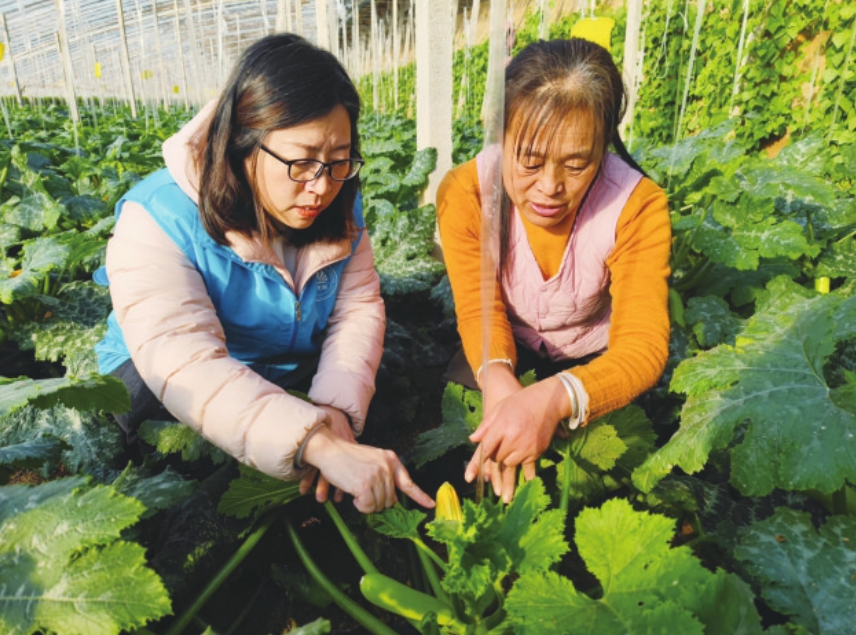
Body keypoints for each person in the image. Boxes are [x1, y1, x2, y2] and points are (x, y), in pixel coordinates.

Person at [94, 34, 433, 514]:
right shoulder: (155, 218)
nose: (321, 187)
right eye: (302, 162)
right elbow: (184, 360)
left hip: (287, 365)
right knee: (181, 459)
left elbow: (356, 309)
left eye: (339, 160)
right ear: (243, 141)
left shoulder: (340, 200)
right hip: (164, 378)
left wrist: (334, 410)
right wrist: (317, 443)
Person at [437, 38, 671, 502]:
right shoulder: (466, 193)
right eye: (529, 160)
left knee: (596, 482)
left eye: (576, 164)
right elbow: (480, 309)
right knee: (459, 455)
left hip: (594, 357)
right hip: (505, 342)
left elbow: (641, 347)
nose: (549, 186)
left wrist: (555, 397)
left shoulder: (638, 206)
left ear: (603, 146)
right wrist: (499, 382)